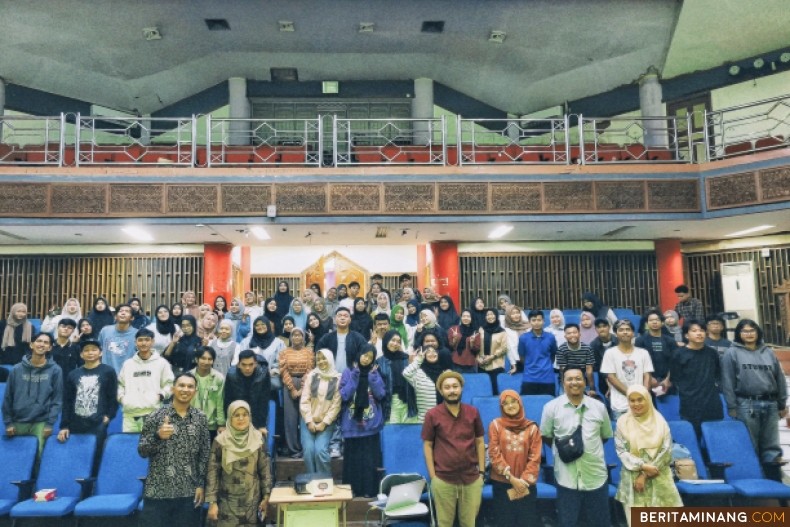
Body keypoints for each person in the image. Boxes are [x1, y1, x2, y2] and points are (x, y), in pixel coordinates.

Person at [541, 367, 613, 527]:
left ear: (585, 382)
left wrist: (587, 449)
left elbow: (604, 436)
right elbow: (546, 436)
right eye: (569, 379)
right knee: (567, 523)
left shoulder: (599, 407)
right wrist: (564, 450)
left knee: (600, 523)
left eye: (578, 378)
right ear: (562, 382)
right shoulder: (551, 407)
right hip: (566, 476)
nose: (574, 382)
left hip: (595, 475)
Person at [138, 372, 210, 527]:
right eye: (181, 385)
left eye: (190, 386)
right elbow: (142, 451)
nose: (185, 389)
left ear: (195, 392)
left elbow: (204, 455)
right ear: (173, 388)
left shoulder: (201, 418)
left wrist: (200, 485)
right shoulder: (155, 416)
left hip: (188, 492)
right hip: (158, 491)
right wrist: (158, 436)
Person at [720, 319, 788, 467]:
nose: (749, 334)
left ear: (758, 332)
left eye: (752, 331)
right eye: (745, 331)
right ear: (739, 334)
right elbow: (728, 382)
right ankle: (754, 476)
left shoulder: (768, 352)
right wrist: (732, 406)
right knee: (750, 443)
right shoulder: (731, 353)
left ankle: (773, 479)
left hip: (771, 403)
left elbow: (780, 379)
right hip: (746, 404)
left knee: (771, 445)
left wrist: (782, 403)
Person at [422, 371, 485, 527]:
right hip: (443, 479)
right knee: (444, 523)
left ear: (461, 388)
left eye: (455, 386)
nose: (452, 391)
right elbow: (428, 445)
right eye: (447, 387)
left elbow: (479, 442)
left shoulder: (473, 412)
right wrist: (433, 477)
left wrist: (482, 473)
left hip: (471, 478)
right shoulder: (432, 415)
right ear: (441, 391)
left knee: (469, 524)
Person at [615, 385, 683, 525]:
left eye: (640, 399)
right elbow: (621, 451)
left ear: (648, 399)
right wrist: (642, 466)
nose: (636, 404)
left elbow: (666, 451)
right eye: (632, 400)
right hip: (633, 482)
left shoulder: (660, 422)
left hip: (659, 478)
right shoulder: (622, 422)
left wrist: (644, 474)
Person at [206, 400, 272, 527]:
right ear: (230, 417)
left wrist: (266, 497)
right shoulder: (220, 441)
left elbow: (264, 470)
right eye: (236, 415)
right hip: (226, 504)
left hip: (252, 502)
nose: (241, 418)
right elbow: (212, 472)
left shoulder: (258, 439)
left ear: (250, 417)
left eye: (245, 414)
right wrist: (212, 502)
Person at [57, 338, 118, 470]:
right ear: (81, 354)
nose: (90, 353)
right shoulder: (73, 374)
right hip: (76, 423)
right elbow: (67, 402)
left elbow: (112, 398)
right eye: (86, 350)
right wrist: (65, 425)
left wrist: (107, 417)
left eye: (94, 350)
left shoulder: (108, 372)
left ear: (100, 353)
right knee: (78, 459)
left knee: (96, 459)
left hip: (98, 423)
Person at [2, 332, 63, 461]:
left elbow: (57, 400)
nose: (42, 344)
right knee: (16, 459)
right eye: (39, 341)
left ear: (50, 348)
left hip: (41, 422)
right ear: (32, 344)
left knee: (38, 458)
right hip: (18, 421)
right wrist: (8, 423)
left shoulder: (55, 370)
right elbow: (8, 398)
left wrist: (49, 424)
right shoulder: (16, 369)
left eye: (46, 342)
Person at [488, 390, 541, 527]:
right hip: (502, 483)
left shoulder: (532, 428)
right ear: (501, 407)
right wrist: (511, 479)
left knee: (527, 522)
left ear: (520, 403)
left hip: (526, 484)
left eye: (513, 401)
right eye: (505, 403)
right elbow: (494, 453)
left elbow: (535, 458)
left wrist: (522, 482)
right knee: (503, 522)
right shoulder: (495, 425)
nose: (510, 406)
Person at [339, 345, 387, 497]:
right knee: (352, 461)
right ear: (359, 354)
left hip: (371, 425)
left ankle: (368, 490)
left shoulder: (375, 372)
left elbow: (380, 394)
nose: (366, 359)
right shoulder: (348, 371)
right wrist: (355, 375)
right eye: (364, 355)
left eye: (370, 357)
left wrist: (373, 378)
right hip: (352, 423)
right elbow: (345, 395)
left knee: (368, 461)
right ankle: (352, 490)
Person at [669, 320, 723, 438]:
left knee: (715, 439)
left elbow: (717, 375)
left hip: (712, 404)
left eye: (702, 330)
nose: (699, 333)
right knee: (694, 438)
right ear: (687, 335)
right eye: (694, 331)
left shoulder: (712, 353)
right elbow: (675, 378)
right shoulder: (678, 354)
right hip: (691, 405)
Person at [117, 328, 175, 432]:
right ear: (135, 342)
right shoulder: (128, 364)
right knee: (130, 447)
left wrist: (161, 395)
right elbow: (119, 385)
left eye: (147, 340)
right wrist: (122, 398)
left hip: (154, 413)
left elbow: (170, 384)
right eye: (140, 340)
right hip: (130, 415)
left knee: (153, 447)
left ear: (152, 341)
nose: (144, 343)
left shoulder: (162, 363)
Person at [601, 319, 654, 421]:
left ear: (633, 333)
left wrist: (643, 394)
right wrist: (631, 394)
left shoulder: (643, 353)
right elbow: (611, 377)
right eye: (621, 330)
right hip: (620, 405)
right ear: (615, 334)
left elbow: (647, 375)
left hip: (642, 403)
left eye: (628, 329)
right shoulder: (610, 353)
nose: (625, 332)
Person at [300, 349, 342, 473]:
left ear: (330, 359)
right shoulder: (312, 375)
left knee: (320, 451)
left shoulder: (337, 378)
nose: (321, 361)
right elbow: (304, 400)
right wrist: (309, 421)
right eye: (318, 359)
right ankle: (312, 482)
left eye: (324, 358)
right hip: (308, 420)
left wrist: (324, 423)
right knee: (308, 451)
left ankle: (324, 483)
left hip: (326, 422)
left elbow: (336, 405)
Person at [279, 327, 316, 458]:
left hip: (306, 384)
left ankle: (306, 447)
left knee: (306, 416)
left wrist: (302, 389)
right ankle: (294, 449)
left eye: (299, 335)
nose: (296, 337)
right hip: (289, 385)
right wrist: (292, 389)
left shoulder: (309, 352)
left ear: (303, 337)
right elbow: (283, 370)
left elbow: (310, 370)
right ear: (290, 338)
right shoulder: (284, 352)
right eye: (293, 335)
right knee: (290, 418)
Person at [223, 350, 272, 440]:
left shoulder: (263, 374)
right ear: (238, 364)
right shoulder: (231, 375)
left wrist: (262, 425)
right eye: (244, 365)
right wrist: (227, 422)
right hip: (238, 413)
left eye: (250, 364)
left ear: (256, 364)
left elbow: (263, 400)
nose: (247, 368)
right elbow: (228, 400)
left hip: (256, 412)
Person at [378, 330, 419, 424]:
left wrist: (412, 364)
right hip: (390, 403)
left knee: (409, 433)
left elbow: (415, 380)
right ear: (386, 341)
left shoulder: (407, 359)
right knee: (392, 433)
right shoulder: (380, 362)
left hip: (408, 402)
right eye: (393, 340)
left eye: (398, 342)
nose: (395, 344)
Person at [403, 342, 452, 421]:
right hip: (424, 420)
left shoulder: (443, 374)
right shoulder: (418, 373)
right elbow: (406, 373)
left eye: (434, 351)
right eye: (428, 352)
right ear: (424, 355)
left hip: (443, 418)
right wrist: (418, 359)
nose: (432, 353)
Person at [635, 310, 678, 396]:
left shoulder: (670, 341)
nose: (654, 322)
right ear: (647, 324)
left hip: (668, 381)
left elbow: (675, 362)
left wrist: (668, 380)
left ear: (662, 323)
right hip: (647, 381)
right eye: (651, 320)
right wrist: (649, 378)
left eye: (657, 320)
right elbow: (638, 362)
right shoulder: (640, 341)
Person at [316, 307, 368, 375]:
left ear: (350, 320)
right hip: (330, 377)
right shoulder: (326, 338)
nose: (342, 318)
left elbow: (366, 355)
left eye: (346, 316)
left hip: (351, 378)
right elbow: (317, 355)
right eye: (339, 316)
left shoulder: (358, 338)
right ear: (335, 319)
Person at [189, 346, 226, 442]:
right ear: (197, 359)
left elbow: (220, 402)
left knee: (209, 455)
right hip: (191, 423)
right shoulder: (188, 376)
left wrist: (221, 424)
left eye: (210, 359)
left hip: (210, 425)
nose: (206, 362)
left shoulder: (218, 378)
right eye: (203, 358)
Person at [518, 310, 558, 396]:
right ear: (529, 322)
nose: (536, 323)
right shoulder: (523, 338)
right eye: (534, 320)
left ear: (544, 321)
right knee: (528, 404)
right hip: (529, 378)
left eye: (539, 320)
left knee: (549, 405)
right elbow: (522, 358)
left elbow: (553, 356)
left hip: (547, 377)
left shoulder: (551, 337)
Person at [469, 308, 508, 393]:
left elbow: (504, 348)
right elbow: (477, 346)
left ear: (496, 316)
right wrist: (478, 358)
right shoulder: (481, 329)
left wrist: (492, 357)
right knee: (483, 390)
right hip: (482, 365)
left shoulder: (502, 331)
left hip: (496, 365)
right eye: (487, 315)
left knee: (495, 390)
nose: (490, 316)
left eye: (492, 314)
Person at [556, 323, 596, 397]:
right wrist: (565, 387)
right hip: (567, 380)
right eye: (569, 333)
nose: (572, 335)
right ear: (565, 337)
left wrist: (592, 388)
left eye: (574, 332)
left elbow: (589, 370)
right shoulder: (561, 350)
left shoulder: (587, 349)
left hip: (583, 380)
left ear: (579, 334)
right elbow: (562, 370)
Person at [99, 304, 137, 374]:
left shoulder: (137, 334)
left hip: (128, 374)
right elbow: (98, 351)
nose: (123, 313)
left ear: (132, 318)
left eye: (127, 311)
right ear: (116, 316)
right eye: (120, 311)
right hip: (106, 374)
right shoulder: (105, 331)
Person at [589, 318, 618, 396]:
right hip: (604, 380)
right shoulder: (593, 345)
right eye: (599, 327)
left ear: (609, 327)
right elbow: (598, 366)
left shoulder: (619, 340)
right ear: (595, 329)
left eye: (604, 326)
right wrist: (608, 380)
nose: (602, 329)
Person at [447, 309, 479, 373]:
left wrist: (472, 342)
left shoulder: (476, 332)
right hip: (456, 362)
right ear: (461, 317)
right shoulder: (453, 329)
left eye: (468, 316)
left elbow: (476, 349)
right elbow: (451, 346)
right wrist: (455, 339)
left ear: (471, 318)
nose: (465, 318)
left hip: (470, 363)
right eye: (464, 316)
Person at [502, 304, 529, 373]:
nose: (516, 315)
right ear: (508, 316)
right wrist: (514, 366)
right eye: (513, 313)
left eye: (517, 312)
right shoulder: (507, 330)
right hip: (518, 362)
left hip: (532, 360)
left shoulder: (528, 326)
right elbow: (509, 348)